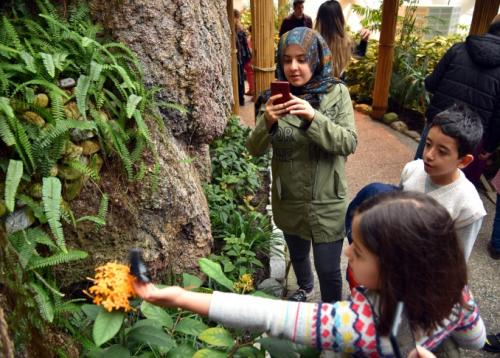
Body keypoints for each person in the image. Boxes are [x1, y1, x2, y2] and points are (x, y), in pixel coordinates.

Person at [133, 191, 486, 356]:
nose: (346, 251)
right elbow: (475, 337)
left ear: (396, 271)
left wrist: (176, 296)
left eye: (358, 251)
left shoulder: (365, 326)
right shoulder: (455, 290)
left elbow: (273, 314)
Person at [248, 27, 357, 303]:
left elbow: (348, 143)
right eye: (287, 59)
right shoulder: (271, 99)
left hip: (327, 200)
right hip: (290, 198)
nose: (293, 67)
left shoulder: (336, 93)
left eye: (301, 59)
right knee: (297, 255)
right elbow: (253, 148)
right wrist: (267, 122)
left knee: (328, 268)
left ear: (316, 58)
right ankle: (305, 287)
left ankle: (333, 317)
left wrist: (313, 118)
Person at [414, 13, 500, 187]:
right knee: (455, 189)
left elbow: (430, 84)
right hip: (471, 139)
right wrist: (489, 147)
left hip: (438, 125)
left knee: (417, 178)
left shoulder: (458, 49)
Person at [401, 103, 486, 260]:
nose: (429, 155)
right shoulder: (411, 170)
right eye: (428, 144)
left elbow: (457, 261)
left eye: (442, 151)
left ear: (464, 161)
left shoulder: (469, 208)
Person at [314, 0, 371, 78]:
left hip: (316, 87)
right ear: (340, 19)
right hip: (337, 87)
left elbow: (359, 54)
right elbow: (359, 54)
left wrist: (364, 40)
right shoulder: (345, 41)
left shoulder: (312, 40)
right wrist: (364, 41)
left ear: (319, 19)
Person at [234, 9, 251, 106]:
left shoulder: (239, 30)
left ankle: (240, 99)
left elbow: (244, 46)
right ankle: (240, 99)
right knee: (239, 78)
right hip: (239, 57)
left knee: (239, 79)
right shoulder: (237, 30)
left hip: (239, 58)